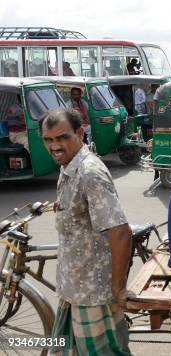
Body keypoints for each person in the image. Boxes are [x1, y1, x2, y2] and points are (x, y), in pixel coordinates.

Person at [38, 109, 132, 355]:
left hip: (93, 295)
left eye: (62, 137)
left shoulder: (89, 173)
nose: (55, 145)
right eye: (48, 140)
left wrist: (118, 289)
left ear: (80, 133)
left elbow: (120, 230)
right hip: (74, 288)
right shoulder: (68, 165)